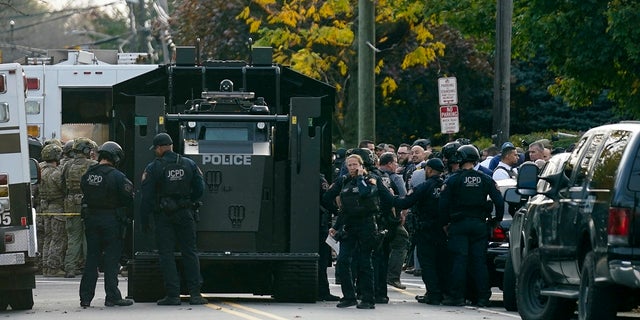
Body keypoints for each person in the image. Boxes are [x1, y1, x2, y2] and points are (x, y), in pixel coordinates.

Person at [139, 132, 208, 306]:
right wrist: (187, 201)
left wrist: (144, 219)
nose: (155, 151)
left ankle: (173, 295)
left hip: (164, 216)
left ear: (161, 148)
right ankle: (195, 294)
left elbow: (146, 197)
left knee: (167, 255)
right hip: (186, 214)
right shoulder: (189, 164)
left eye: (156, 148)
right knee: (190, 252)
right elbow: (200, 189)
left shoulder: (154, 167)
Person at [322, 153, 394, 310]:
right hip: (349, 225)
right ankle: (349, 296)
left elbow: (365, 193)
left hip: (367, 224)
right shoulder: (344, 181)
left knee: (364, 261)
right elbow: (340, 207)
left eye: (355, 164)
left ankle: (368, 298)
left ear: (362, 165)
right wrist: (336, 225)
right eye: (350, 165)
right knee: (343, 261)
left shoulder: (370, 180)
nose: (352, 167)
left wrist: (361, 178)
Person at [439, 145, 504, 307]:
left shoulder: (453, 179)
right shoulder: (486, 179)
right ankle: (482, 297)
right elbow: (499, 201)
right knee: (479, 262)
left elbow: (443, 204)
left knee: (459, 261)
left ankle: (457, 296)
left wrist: (445, 223)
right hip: (479, 224)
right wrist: (497, 220)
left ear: (460, 159)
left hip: (459, 225)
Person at [79, 141, 134, 307]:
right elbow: (128, 198)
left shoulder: (88, 174)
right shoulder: (117, 176)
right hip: (111, 221)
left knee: (92, 258)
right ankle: (112, 296)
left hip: (91, 220)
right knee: (111, 259)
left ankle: (85, 298)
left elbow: (83, 191)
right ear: (116, 158)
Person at [393, 158, 447, 305]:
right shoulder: (446, 186)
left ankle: (433, 294)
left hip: (425, 230)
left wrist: (387, 196)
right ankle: (443, 293)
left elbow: (404, 202)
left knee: (428, 263)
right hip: (444, 230)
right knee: (442, 263)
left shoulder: (425, 186)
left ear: (429, 170)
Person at [62, 137, 98, 278]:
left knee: (73, 237)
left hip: (70, 203)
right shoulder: (93, 164)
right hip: (87, 203)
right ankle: (90, 267)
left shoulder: (67, 165)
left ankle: (70, 267)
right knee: (88, 236)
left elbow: (62, 184)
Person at [39, 144, 67, 277]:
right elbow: (64, 189)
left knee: (47, 237)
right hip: (57, 208)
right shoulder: (56, 173)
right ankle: (53, 267)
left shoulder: (41, 171)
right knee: (57, 238)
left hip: (44, 208)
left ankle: (45, 266)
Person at [318, 174, 340, 302]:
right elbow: (326, 199)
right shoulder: (320, 179)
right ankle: (322, 291)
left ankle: (321, 290)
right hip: (320, 224)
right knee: (322, 259)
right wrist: (339, 211)